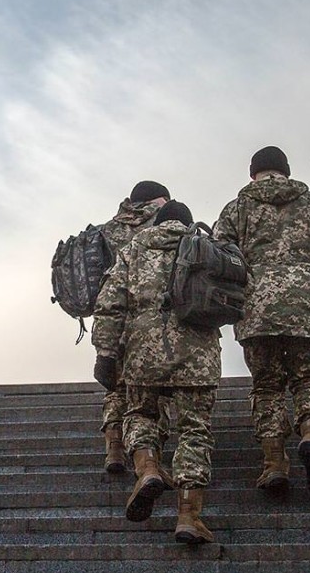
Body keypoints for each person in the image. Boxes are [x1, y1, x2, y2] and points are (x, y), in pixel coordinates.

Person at [213, 146, 310, 500]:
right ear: (287, 172)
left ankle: (275, 463)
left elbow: (218, 259)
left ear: (252, 174)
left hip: (257, 311)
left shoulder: (237, 208)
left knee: (267, 386)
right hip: (306, 305)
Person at [92, 200, 221, 543]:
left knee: (142, 414)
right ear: (187, 222)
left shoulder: (135, 249)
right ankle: (189, 515)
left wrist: (105, 352)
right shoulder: (206, 246)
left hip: (143, 350)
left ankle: (148, 468)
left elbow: (109, 304)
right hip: (197, 350)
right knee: (194, 430)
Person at [96, 180, 175, 475]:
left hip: (114, 321)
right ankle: (150, 458)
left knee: (116, 388)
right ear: (160, 200)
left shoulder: (108, 229)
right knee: (152, 395)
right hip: (156, 325)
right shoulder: (163, 224)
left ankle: (114, 447)